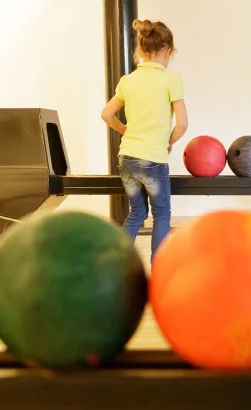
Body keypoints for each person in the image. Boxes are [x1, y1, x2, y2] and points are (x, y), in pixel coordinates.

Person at [101, 19, 188, 260]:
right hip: (153, 160)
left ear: (140, 50)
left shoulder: (128, 81)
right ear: (168, 51)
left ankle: (117, 264)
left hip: (127, 158)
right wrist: (169, 142)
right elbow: (182, 124)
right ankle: (158, 270)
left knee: (136, 214)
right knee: (161, 214)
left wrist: (125, 130)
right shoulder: (171, 80)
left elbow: (107, 114)